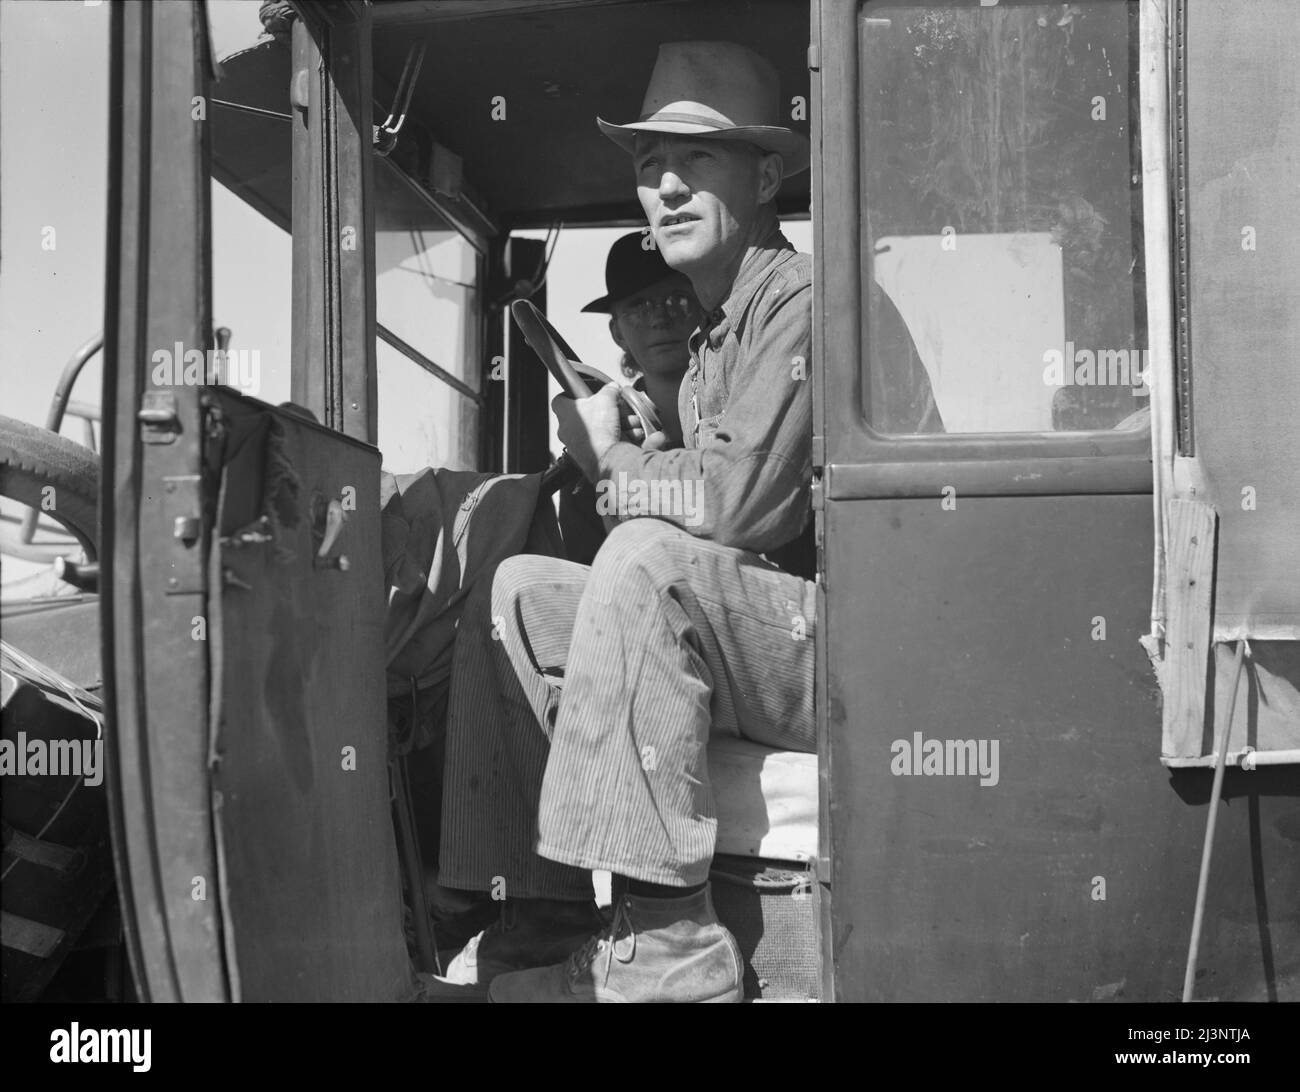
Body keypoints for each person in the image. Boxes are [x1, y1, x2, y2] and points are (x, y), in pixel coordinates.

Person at [434, 40, 817, 1003]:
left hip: (848, 646)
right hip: (771, 637)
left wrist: (612, 459)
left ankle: (672, 940)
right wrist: (618, 450)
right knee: (519, 586)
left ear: (767, 174)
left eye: (700, 161)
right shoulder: (716, 336)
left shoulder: (802, 305)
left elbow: (733, 507)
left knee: (647, 558)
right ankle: (550, 907)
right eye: (650, 168)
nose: (668, 189)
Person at [559, 232, 701, 565]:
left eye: (677, 300)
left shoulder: (744, 420)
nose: (659, 319)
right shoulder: (590, 448)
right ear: (617, 333)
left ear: (704, 308)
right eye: (638, 307)